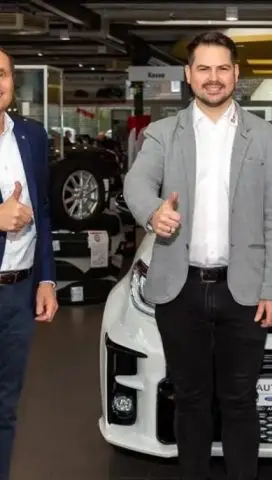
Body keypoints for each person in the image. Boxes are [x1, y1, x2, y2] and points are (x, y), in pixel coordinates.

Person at [123, 31, 272, 480]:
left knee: (240, 401)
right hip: (180, 291)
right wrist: (152, 211)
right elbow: (136, 183)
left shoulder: (267, 137)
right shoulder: (163, 134)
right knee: (191, 400)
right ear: (188, 74)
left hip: (245, 293)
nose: (213, 78)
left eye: (222, 68)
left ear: (236, 74)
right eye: (203, 68)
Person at [0, 47, 58, 479]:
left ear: (12, 82)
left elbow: (43, 210)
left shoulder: (32, 136)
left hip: (19, 294)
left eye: (1, 74)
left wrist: (46, 280)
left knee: (5, 406)